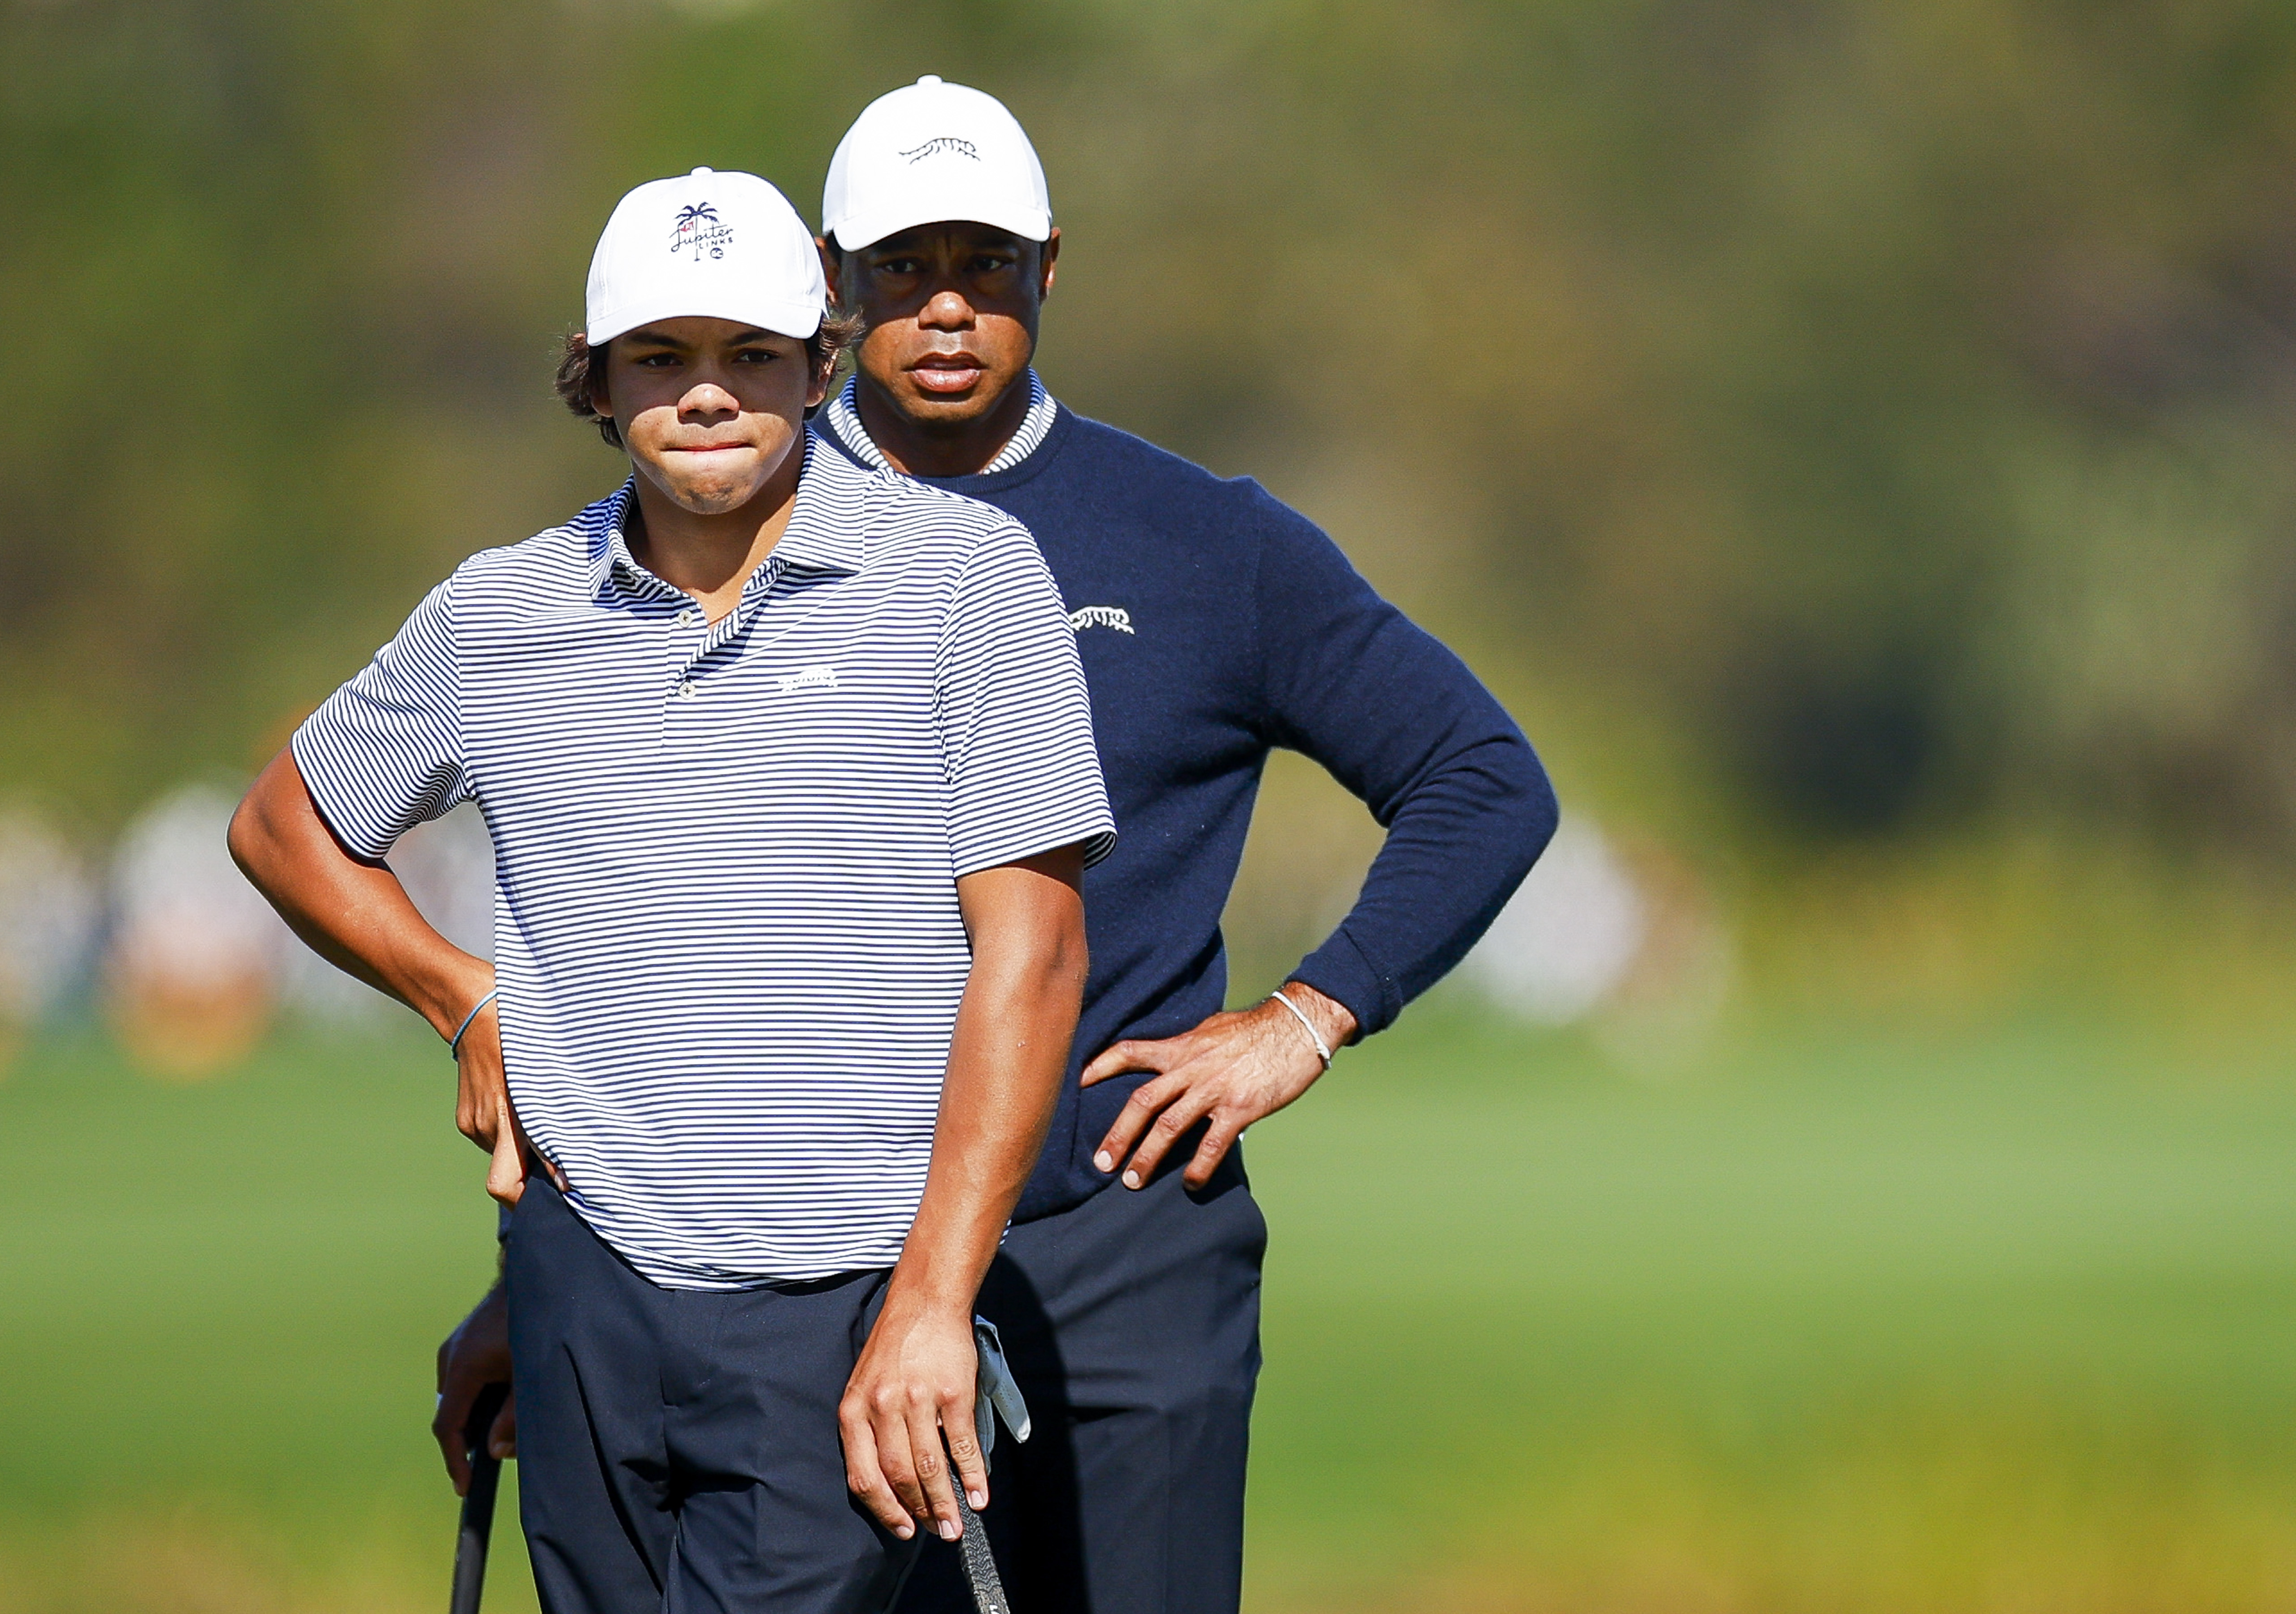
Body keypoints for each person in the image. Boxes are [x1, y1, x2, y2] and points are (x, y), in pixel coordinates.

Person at [436, 81, 1561, 1614]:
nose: (947, 307)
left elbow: (1482, 777)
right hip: (806, 1287)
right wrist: (556, 1293)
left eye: (988, 264)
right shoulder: (703, 523)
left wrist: (1304, 1020)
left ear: (1053, 270)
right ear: (832, 286)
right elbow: (629, 953)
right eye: (904, 268)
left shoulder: (1204, 542)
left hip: (1116, 1244)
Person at [233, 165, 1115, 1613]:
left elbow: (1036, 959)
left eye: (753, 356)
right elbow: (285, 827)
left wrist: (936, 1306)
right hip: (581, 1287)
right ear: (594, 382)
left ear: (820, 364)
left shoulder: (964, 577)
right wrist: (463, 1000)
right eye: (661, 356)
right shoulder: (501, 611)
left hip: (845, 1300)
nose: (707, 394)